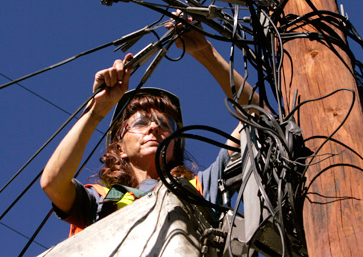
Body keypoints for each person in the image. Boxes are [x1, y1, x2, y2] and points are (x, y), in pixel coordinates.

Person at [40, 17, 258, 237]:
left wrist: (204, 51)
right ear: (120, 149)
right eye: (140, 122)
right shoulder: (99, 200)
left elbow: (257, 117)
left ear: (174, 145)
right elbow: (53, 183)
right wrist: (97, 110)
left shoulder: (200, 187)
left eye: (166, 124)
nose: (154, 127)